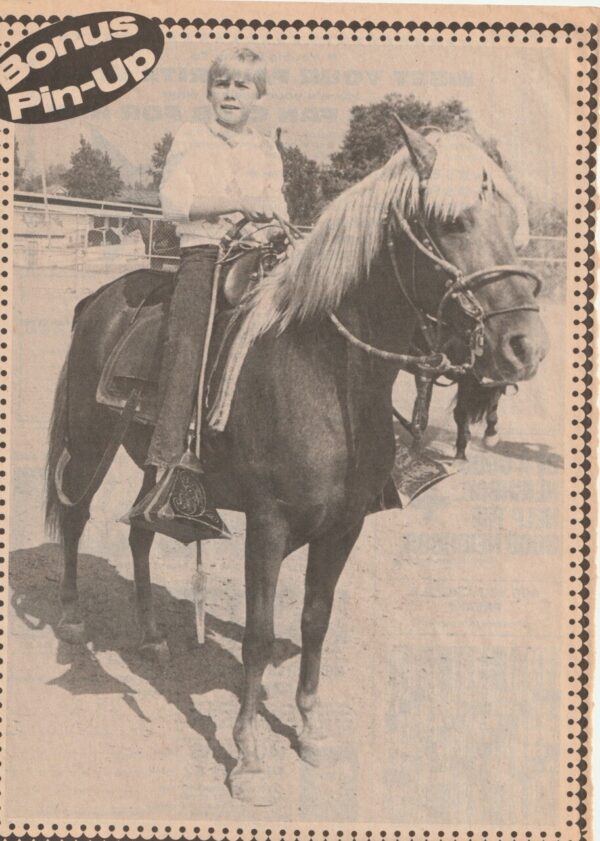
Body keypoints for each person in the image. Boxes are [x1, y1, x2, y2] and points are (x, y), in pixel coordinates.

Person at [123, 47, 288, 537]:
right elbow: (175, 204)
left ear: (259, 95)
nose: (231, 93)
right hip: (205, 257)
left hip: (258, 260)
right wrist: (238, 202)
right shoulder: (192, 137)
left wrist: (276, 224)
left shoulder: (266, 149)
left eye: (243, 85)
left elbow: (276, 202)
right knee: (187, 343)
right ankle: (168, 469)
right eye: (223, 83)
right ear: (210, 91)